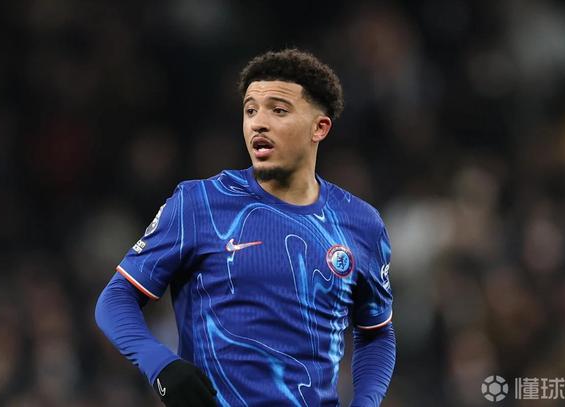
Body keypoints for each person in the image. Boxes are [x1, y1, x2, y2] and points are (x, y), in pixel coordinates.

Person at [95, 49, 396, 407]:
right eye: (250, 110)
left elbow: (376, 333)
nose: (258, 123)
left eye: (278, 110)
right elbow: (115, 298)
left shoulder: (361, 223)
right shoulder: (199, 204)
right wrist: (161, 365)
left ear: (319, 127)